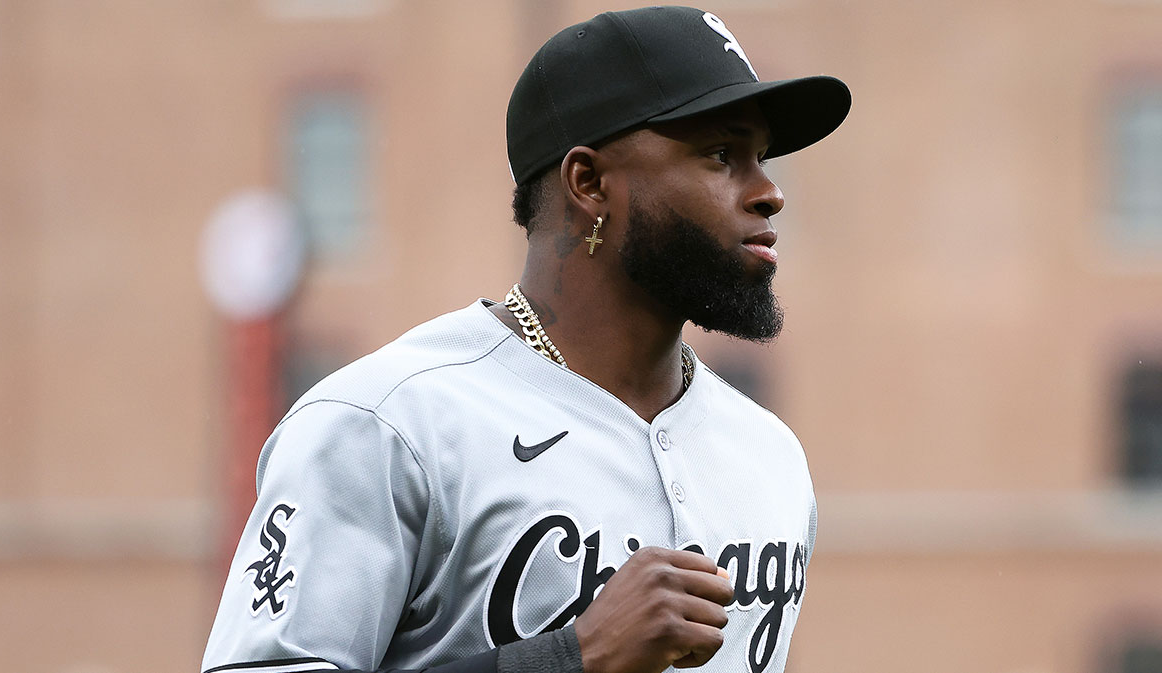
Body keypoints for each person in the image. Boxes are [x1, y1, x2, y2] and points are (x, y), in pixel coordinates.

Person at [201, 6, 850, 673]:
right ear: (590, 182)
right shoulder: (389, 421)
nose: (769, 191)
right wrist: (572, 656)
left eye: (761, 158)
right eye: (721, 154)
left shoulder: (768, 455)